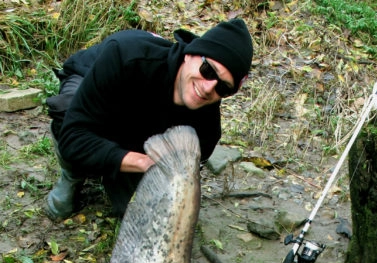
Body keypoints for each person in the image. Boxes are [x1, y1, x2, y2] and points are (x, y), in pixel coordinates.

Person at [46, 18, 253, 219]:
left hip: (139, 128)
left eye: (223, 87)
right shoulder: (126, 56)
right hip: (94, 87)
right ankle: (72, 175)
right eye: (208, 70)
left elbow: (179, 183)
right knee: (68, 118)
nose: (208, 87)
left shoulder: (205, 131)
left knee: (145, 211)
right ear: (190, 54)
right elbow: (73, 137)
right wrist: (143, 162)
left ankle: (115, 163)